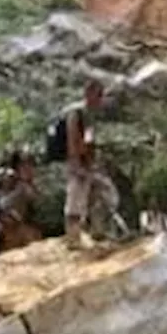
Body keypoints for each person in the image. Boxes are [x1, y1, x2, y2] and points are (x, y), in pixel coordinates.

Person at [62, 79, 121, 248]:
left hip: (87, 164)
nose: (100, 99)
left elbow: (89, 140)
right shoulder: (76, 113)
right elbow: (73, 141)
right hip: (76, 164)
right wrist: (77, 165)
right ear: (88, 94)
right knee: (75, 200)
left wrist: (92, 163)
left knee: (104, 194)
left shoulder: (90, 115)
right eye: (98, 95)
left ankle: (98, 231)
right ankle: (73, 239)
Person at [0, 150, 42, 253]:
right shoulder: (8, 182)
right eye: (25, 166)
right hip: (6, 230)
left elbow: (35, 201)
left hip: (25, 228)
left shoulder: (28, 186)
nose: (29, 170)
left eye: (31, 166)